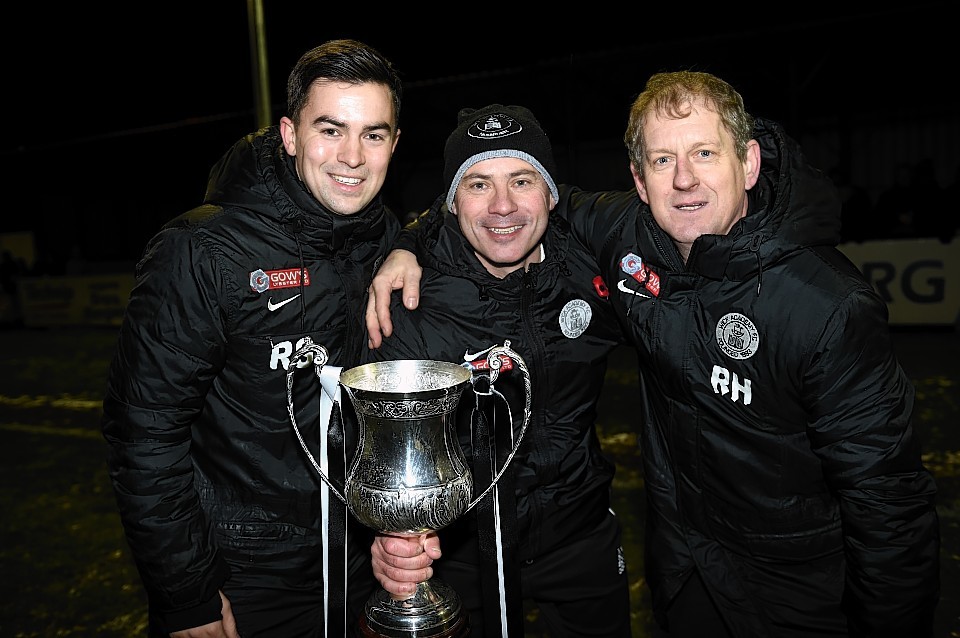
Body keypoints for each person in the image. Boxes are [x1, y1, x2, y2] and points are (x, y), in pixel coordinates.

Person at [366, 72, 941, 637]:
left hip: (795, 582)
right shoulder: (624, 242)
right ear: (640, 181)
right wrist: (404, 243)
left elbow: (887, 496)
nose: (685, 180)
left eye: (704, 153)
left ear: (749, 163)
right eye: (664, 161)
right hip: (681, 568)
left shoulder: (825, 304)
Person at [101, 39, 403, 638]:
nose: (351, 156)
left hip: (363, 567)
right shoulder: (203, 250)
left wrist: (407, 249)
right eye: (330, 129)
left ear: (394, 144)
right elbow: (144, 431)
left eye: (373, 134)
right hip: (243, 582)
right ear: (289, 135)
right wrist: (187, 594)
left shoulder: (381, 237)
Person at [364, 104, 632, 636]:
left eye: (522, 180)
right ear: (452, 201)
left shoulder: (589, 265)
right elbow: (368, 447)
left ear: (552, 194)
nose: (503, 207)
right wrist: (390, 538)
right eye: (479, 184)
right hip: (457, 552)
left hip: (579, 536)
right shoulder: (408, 304)